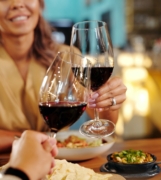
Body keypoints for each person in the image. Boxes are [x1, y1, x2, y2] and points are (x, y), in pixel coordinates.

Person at [0, 0, 127, 152]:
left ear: (40, 4)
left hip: (61, 162)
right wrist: (31, 141)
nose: (17, 4)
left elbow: (105, 121)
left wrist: (108, 99)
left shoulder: (67, 56)